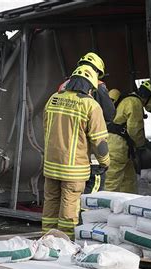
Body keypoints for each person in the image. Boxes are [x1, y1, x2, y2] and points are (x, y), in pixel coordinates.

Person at [42, 65, 110, 239]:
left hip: (51, 165)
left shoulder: (53, 99)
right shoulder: (90, 105)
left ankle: (46, 239)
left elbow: (45, 127)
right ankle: (65, 241)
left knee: (50, 202)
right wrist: (105, 162)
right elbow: (99, 142)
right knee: (69, 205)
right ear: (89, 86)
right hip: (74, 169)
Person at [59, 52, 115, 195]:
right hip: (89, 151)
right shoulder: (98, 86)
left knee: (69, 195)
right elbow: (110, 114)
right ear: (96, 71)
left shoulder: (64, 86)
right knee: (91, 192)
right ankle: (83, 216)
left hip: (65, 152)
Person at [104, 80, 151, 193]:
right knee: (111, 183)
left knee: (129, 179)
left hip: (117, 146)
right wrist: (142, 145)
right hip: (117, 147)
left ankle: (128, 203)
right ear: (148, 96)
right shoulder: (135, 103)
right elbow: (135, 129)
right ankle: (104, 207)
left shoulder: (126, 99)